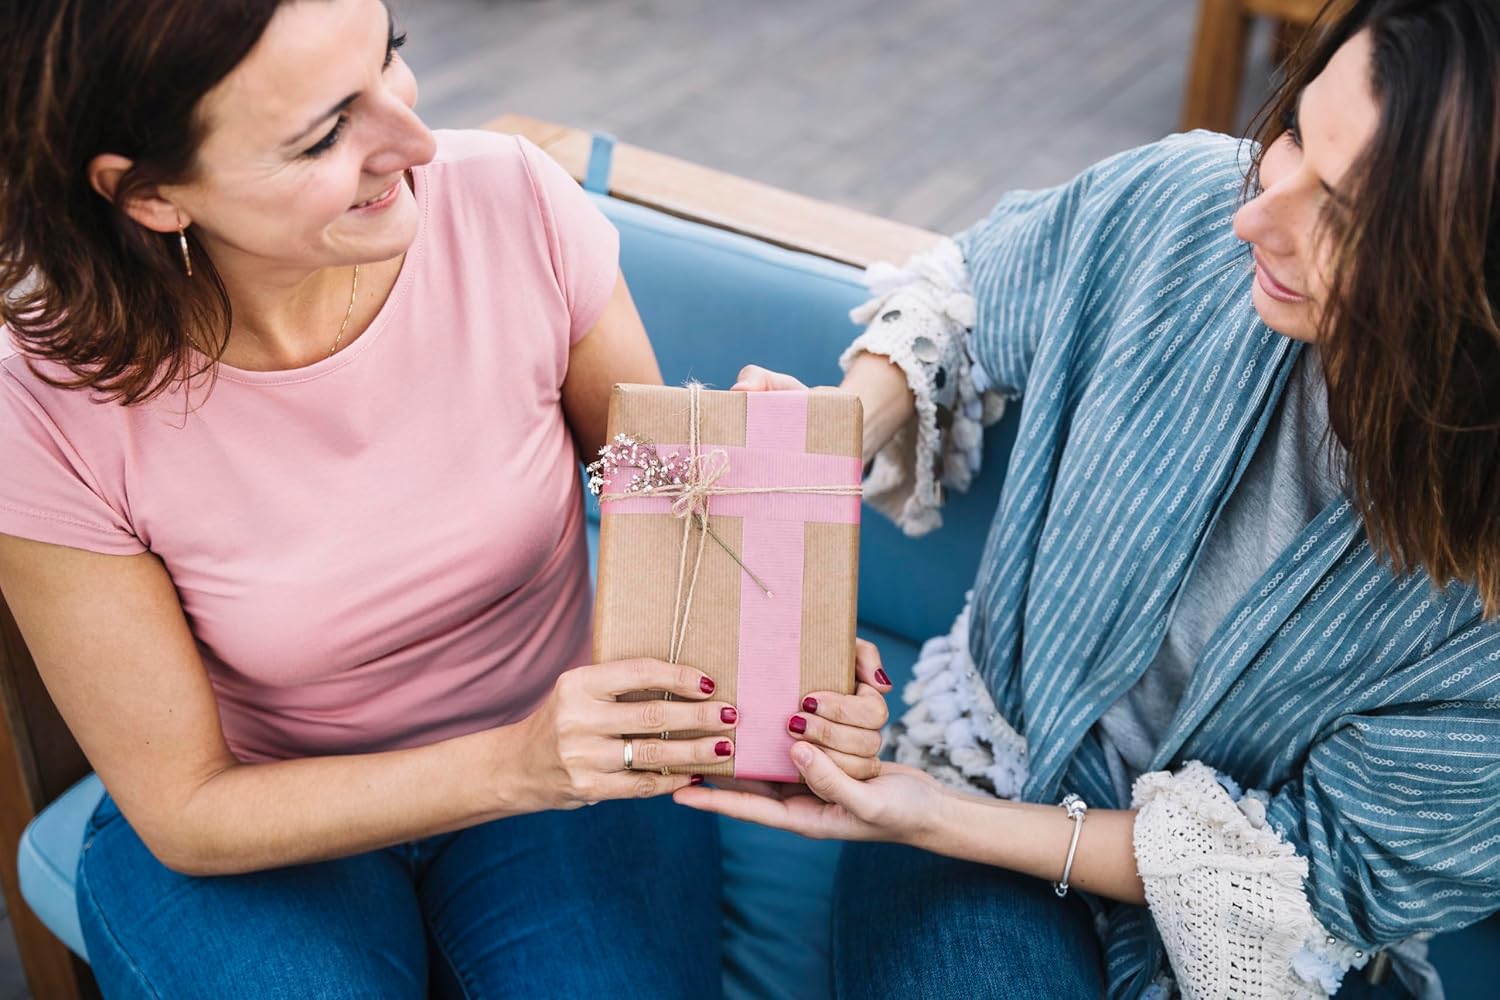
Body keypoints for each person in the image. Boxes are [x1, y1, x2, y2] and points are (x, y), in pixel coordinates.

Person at [0, 1, 889, 996]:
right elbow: (189, 808)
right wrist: (517, 764)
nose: (415, 142)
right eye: (325, 133)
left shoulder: (511, 204)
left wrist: (774, 580)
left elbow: (661, 498)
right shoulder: (41, 407)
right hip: (260, 815)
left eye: (394, 59)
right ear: (152, 193)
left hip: (574, 766)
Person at [679, 1, 1500, 997]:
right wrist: (830, 434)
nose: (1257, 210)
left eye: (1344, 210)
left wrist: (926, 813)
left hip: (1254, 947)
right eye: (1289, 134)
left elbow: (1322, 872)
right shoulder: (1182, 206)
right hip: (980, 795)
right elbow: (969, 291)